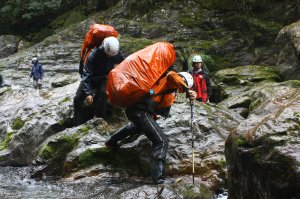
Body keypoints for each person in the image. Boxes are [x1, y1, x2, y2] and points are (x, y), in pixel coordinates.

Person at [105, 71, 196, 184]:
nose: (181, 88)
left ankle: (112, 141)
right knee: (162, 141)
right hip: (139, 111)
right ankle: (159, 179)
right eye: (183, 84)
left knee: (136, 127)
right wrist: (187, 89)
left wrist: (190, 94)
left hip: (139, 112)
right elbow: (172, 76)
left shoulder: (172, 92)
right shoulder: (169, 80)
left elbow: (160, 105)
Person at [73, 36, 124, 126]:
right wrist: (88, 93)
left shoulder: (116, 54)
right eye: (109, 54)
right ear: (104, 48)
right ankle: (77, 123)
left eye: (112, 55)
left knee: (104, 93)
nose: (110, 56)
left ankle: (99, 118)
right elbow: (86, 74)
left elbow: (124, 63)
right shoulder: (93, 54)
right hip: (91, 77)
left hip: (104, 77)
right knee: (78, 99)